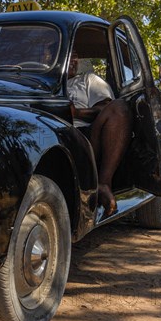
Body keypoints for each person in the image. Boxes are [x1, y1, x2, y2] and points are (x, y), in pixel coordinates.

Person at [67, 51, 133, 216]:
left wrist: (77, 113)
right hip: (52, 134)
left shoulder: (88, 80)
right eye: (69, 55)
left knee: (119, 108)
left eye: (76, 55)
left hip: (85, 136)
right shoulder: (36, 83)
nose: (73, 60)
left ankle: (103, 183)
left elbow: (107, 108)